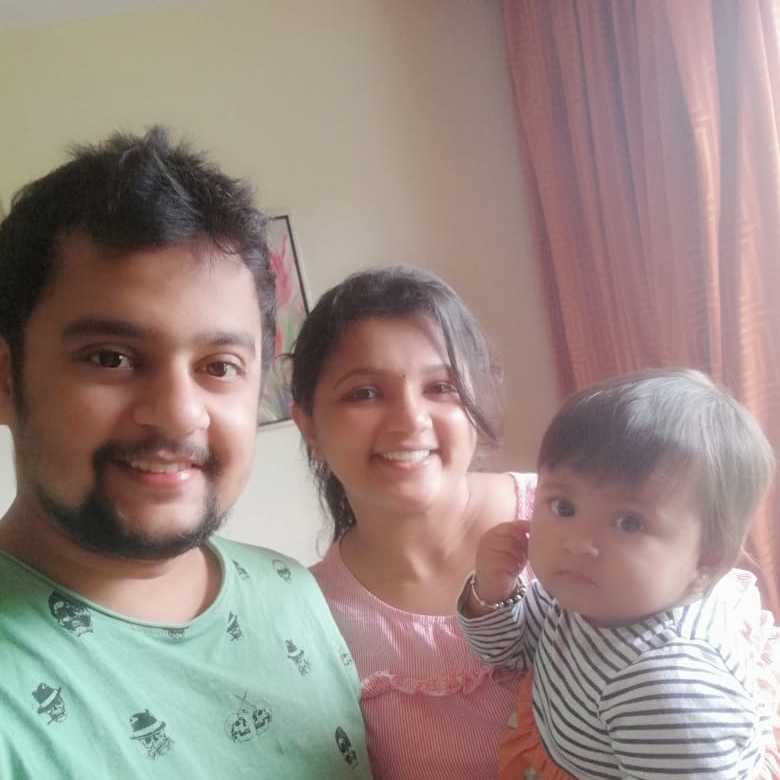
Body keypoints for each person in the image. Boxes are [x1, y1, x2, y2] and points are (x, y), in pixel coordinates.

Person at [0, 127, 371, 779]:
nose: (177, 414)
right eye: (110, 358)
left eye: (219, 365)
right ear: (7, 380)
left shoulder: (293, 595)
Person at [460, 368, 780, 779]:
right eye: (563, 507)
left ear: (707, 559)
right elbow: (510, 652)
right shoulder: (585, 588)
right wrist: (494, 590)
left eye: (630, 522)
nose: (578, 542)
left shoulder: (669, 690)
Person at [290, 265, 537, 779]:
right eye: (364, 393)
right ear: (308, 425)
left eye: (442, 387)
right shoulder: (305, 620)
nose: (409, 420)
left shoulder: (573, 515)